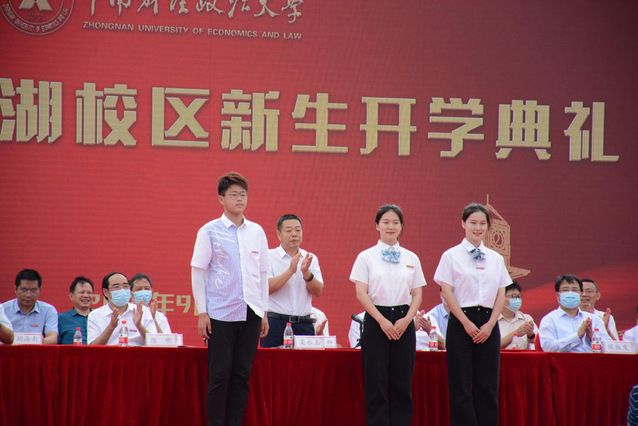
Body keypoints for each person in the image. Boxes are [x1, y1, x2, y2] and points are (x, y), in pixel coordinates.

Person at [191, 172, 269, 426]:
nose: (239, 199)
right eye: (234, 194)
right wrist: (202, 312)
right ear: (221, 199)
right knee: (219, 375)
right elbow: (198, 271)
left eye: (243, 194)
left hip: (252, 312)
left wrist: (264, 311)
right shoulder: (209, 231)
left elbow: (262, 273)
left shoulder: (256, 231)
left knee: (241, 375)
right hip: (220, 312)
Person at [434, 203, 511, 426]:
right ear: (463, 224)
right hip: (461, 322)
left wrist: (491, 324)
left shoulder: (495, 258)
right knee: (461, 386)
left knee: (487, 385)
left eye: (482, 223)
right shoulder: (451, 255)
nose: (478, 228)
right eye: (473, 223)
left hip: (488, 323)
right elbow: (446, 291)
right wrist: (465, 322)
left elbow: (501, 292)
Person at [350, 204, 426, 426]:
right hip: (376, 320)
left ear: (401, 226)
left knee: (402, 383)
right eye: (386, 222)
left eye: (395, 222)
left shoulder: (411, 257)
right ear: (377, 225)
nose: (390, 226)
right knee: (376, 383)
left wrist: (407, 319)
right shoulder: (366, 257)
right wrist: (382, 320)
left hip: (404, 320)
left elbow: (417, 294)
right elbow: (361, 293)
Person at [261, 214, 323, 347]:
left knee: (306, 361)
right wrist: (290, 271)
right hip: (276, 324)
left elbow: (318, 291)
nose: (294, 234)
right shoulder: (268, 257)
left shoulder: (310, 258)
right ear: (279, 234)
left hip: (304, 324)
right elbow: (265, 288)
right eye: (289, 231)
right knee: (274, 360)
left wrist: (306, 273)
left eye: (298, 230)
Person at [538, 274, 611, 352]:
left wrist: (592, 338)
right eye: (565, 290)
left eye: (574, 290)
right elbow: (548, 348)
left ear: (580, 294)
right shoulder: (549, 320)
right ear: (558, 295)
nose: (570, 293)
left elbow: (609, 348)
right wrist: (577, 336)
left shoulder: (594, 319)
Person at [87, 272, 157, 346]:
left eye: (125, 286)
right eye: (116, 287)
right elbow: (92, 347)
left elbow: (154, 342)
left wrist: (139, 325)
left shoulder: (142, 311)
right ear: (106, 292)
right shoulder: (95, 315)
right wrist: (111, 327)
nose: (122, 290)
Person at [2, 269, 58, 344]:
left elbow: (52, 339)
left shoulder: (48, 310)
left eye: (33, 290)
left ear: (40, 290)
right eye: (24, 290)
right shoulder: (3, 309)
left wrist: (30, 344)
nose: (28, 295)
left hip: (37, 350)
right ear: (15, 289)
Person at [498, 281, 538, 350]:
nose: (517, 300)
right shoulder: (491, 321)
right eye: (513, 296)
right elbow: (490, 348)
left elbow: (539, 344)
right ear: (501, 298)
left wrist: (531, 335)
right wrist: (516, 333)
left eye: (519, 296)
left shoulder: (526, 319)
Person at [58, 276, 94, 344]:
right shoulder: (61, 318)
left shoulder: (99, 317)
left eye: (89, 293)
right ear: (71, 296)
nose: (86, 296)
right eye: (82, 292)